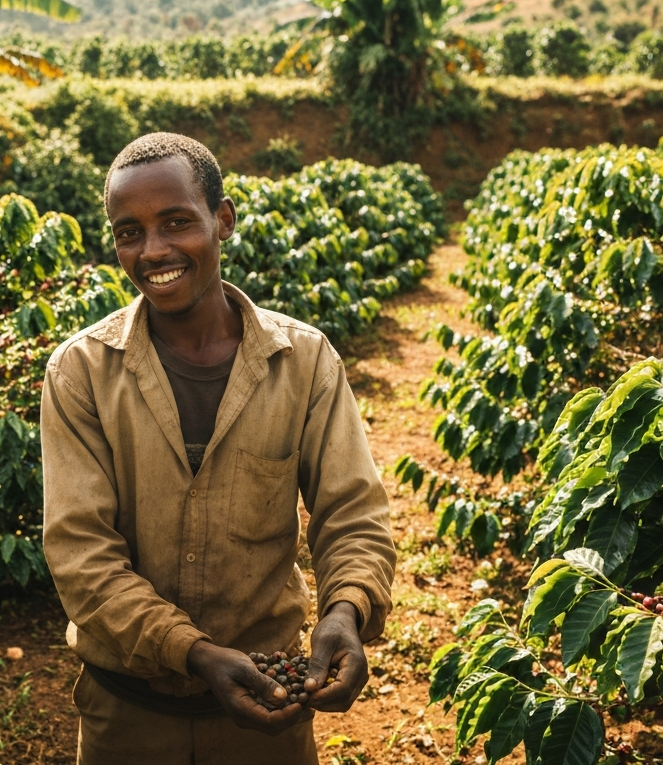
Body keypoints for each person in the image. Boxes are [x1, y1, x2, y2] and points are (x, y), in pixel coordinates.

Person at [40, 132, 396, 765]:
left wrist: (345, 611)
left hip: (272, 711)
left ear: (223, 219)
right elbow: (81, 556)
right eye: (129, 232)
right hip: (128, 716)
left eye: (177, 222)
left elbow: (352, 513)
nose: (154, 251)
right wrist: (194, 652)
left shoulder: (303, 362)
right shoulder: (82, 371)